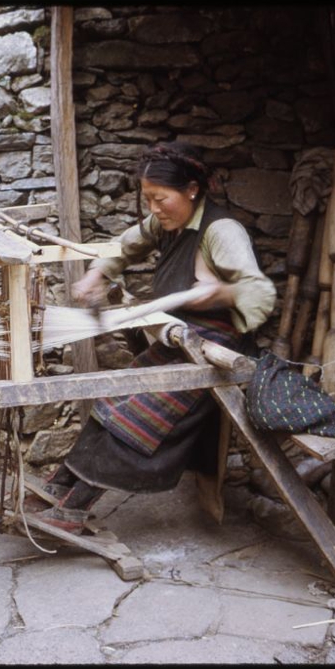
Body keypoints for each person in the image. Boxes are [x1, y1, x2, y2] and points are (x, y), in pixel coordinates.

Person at [28, 142, 276, 533]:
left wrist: (221, 292)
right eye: (148, 200)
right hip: (180, 338)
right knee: (116, 397)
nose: (154, 209)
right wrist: (98, 274)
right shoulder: (165, 222)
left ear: (192, 190)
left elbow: (261, 295)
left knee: (139, 416)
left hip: (214, 348)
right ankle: (60, 485)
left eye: (161, 198)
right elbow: (127, 246)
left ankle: (73, 508)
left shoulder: (222, 232)